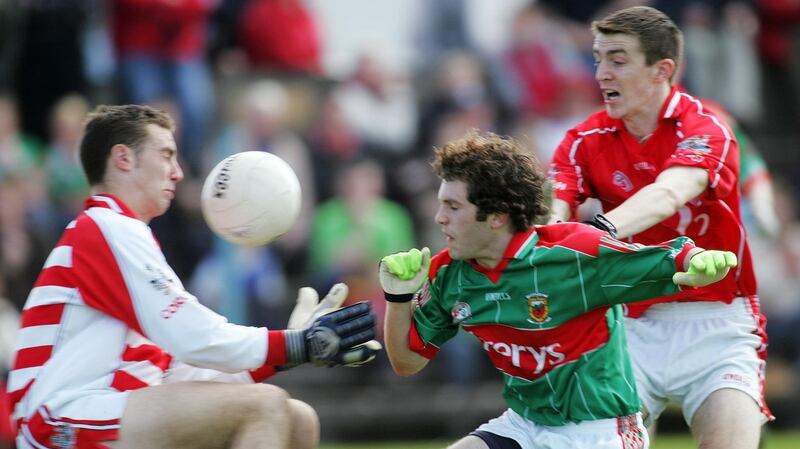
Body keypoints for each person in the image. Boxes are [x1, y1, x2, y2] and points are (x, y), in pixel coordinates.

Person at [6, 104, 380, 449]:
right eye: (167, 154)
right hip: (56, 420)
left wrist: (290, 353)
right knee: (264, 407)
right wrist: (295, 343)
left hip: (106, 407)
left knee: (299, 418)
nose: (178, 172)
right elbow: (192, 336)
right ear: (123, 158)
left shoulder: (121, 234)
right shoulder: (104, 228)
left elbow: (176, 370)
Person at [379, 130, 737, 449]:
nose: (439, 217)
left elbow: (671, 260)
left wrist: (700, 261)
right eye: (441, 204)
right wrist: (398, 297)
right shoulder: (448, 273)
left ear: (497, 216)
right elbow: (407, 362)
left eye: (453, 206)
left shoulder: (572, 253)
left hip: (599, 432)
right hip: (524, 425)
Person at [548, 6, 771, 449]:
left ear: (661, 70)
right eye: (597, 58)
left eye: (617, 59)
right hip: (627, 324)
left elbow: (670, 193)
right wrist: (545, 241)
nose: (601, 73)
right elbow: (552, 213)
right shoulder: (581, 141)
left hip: (717, 323)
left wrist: (597, 232)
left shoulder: (707, 127)